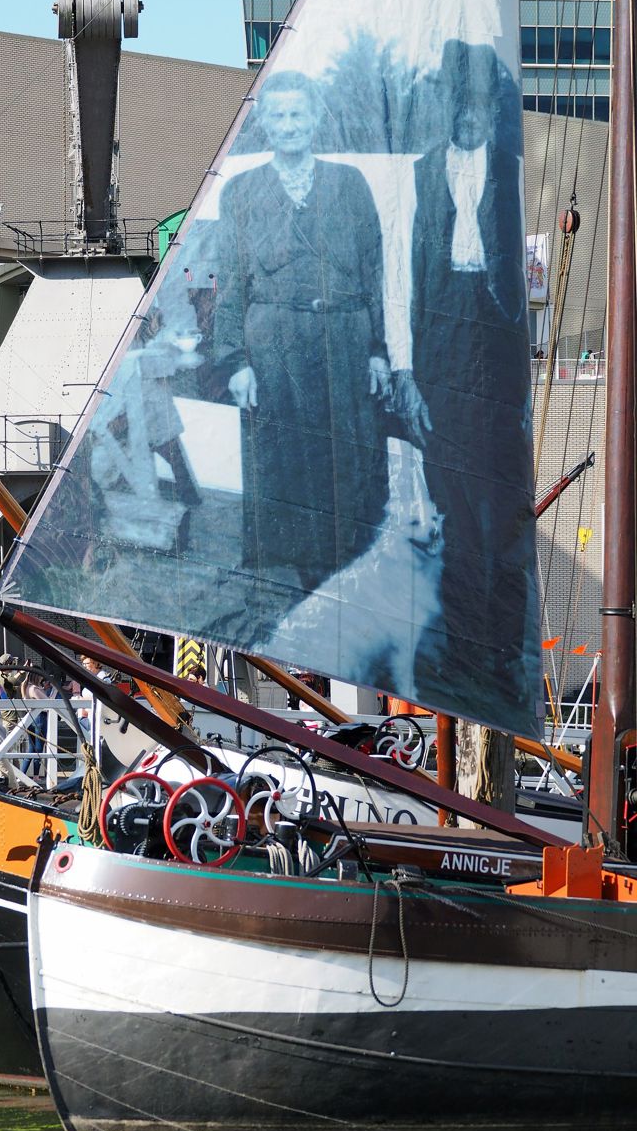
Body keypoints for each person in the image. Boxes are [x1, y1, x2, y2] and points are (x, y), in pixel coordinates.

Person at [213, 69, 392, 610]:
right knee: (286, 462)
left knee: (347, 459)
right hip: (275, 348)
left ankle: (350, 573)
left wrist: (378, 351)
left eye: (299, 114)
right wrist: (235, 362)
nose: (289, 125)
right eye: (279, 115)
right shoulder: (241, 192)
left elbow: (373, 273)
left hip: (342, 340)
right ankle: (302, 587)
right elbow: (231, 283)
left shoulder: (349, 184)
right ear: (264, 124)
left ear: (316, 120)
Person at [403, 38, 535, 708]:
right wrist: (418, 370)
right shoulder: (427, 171)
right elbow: (416, 268)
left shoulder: (510, 170)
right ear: (451, 109)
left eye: (481, 105)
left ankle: (504, 652)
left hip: (493, 325)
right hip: (444, 330)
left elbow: (517, 266)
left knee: (500, 511)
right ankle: (462, 648)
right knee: (453, 505)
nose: (470, 117)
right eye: (461, 105)